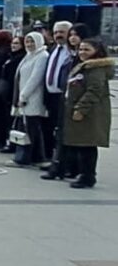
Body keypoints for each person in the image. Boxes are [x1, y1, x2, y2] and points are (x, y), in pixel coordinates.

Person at [47, 38, 112, 188]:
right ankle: (71, 170)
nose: (82, 52)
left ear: (96, 51)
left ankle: (88, 176)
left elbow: (94, 91)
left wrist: (81, 109)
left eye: (87, 50)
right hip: (74, 109)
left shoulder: (96, 69)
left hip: (89, 114)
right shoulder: (83, 66)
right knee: (77, 144)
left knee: (87, 146)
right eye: (81, 49)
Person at [12, 31, 50, 167]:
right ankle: (38, 157)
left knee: (28, 129)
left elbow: (35, 78)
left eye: (32, 41)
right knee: (32, 128)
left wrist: (23, 96)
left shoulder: (42, 56)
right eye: (27, 41)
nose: (29, 44)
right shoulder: (28, 56)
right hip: (25, 97)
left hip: (33, 98)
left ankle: (23, 158)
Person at [42, 21, 73, 161]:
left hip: (64, 96)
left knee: (63, 130)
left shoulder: (72, 52)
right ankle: (50, 157)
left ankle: (62, 161)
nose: (58, 35)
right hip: (49, 95)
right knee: (48, 127)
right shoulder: (52, 49)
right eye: (55, 32)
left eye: (62, 32)